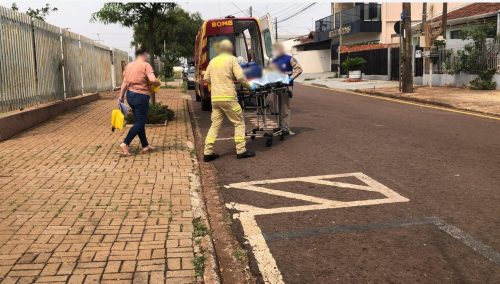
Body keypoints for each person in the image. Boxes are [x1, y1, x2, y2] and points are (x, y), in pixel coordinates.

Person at [203, 39, 255, 162]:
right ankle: (241, 150)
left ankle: (208, 152)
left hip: (215, 99)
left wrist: (217, 82)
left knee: (215, 125)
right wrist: (250, 87)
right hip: (228, 97)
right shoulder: (232, 59)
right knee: (239, 122)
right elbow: (241, 77)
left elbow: (206, 78)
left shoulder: (213, 61)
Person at [118, 48, 161, 156]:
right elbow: (152, 80)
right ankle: (125, 143)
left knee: (139, 121)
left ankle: (145, 146)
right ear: (144, 54)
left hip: (130, 95)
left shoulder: (128, 66)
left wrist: (121, 96)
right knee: (140, 122)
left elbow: (124, 83)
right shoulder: (146, 65)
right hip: (141, 96)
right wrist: (158, 83)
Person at [268, 42, 303, 134]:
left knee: (284, 107)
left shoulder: (289, 58)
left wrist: (290, 78)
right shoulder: (274, 60)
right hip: (276, 87)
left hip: (286, 86)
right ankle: (279, 126)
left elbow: (299, 69)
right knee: (276, 107)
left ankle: (285, 128)